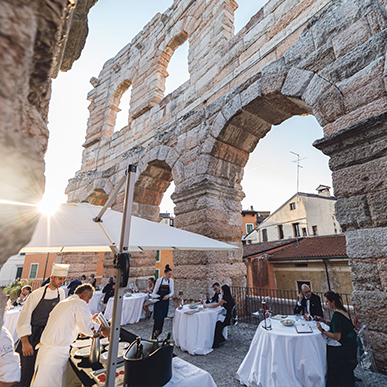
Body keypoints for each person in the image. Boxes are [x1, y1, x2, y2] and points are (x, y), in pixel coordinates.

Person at [31, 283, 110, 387]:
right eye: (88, 298)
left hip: (46, 349)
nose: (87, 302)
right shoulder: (79, 303)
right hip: (56, 352)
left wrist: (90, 320)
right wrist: (104, 329)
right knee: (50, 383)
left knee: (41, 381)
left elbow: (69, 322)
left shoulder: (65, 302)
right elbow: (88, 328)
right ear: (84, 293)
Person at [15, 263, 69, 387]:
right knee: (26, 372)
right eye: (59, 278)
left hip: (47, 337)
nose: (62, 282)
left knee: (41, 371)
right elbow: (24, 318)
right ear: (52, 277)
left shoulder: (61, 293)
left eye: (63, 279)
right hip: (31, 335)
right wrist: (25, 342)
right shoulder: (36, 294)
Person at [316, 291, 357, 387]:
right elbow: (338, 326)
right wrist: (324, 321)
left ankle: (332, 382)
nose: (326, 304)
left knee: (327, 351)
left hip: (347, 348)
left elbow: (337, 337)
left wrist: (322, 330)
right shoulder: (342, 310)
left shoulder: (337, 315)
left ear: (333, 301)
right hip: (352, 343)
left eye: (327, 302)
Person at [152, 265, 174, 336]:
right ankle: (154, 334)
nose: (170, 276)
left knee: (162, 319)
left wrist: (168, 296)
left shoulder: (171, 281)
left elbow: (172, 292)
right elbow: (155, 290)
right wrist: (153, 296)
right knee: (157, 318)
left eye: (170, 274)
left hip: (165, 302)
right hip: (158, 301)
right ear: (165, 273)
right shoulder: (159, 280)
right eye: (169, 274)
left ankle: (159, 333)